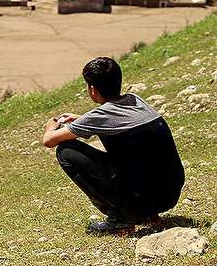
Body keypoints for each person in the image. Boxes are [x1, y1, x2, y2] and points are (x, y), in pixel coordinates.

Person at [42, 57, 185, 234]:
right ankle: (147, 215)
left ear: (93, 90)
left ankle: (120, 219)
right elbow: (116, 122)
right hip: (169, 194)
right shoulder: (136, 100)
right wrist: (83, 121)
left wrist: (50, 127)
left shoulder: (101, 115)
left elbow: (49, 140)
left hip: (143, 197)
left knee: (66, 151)